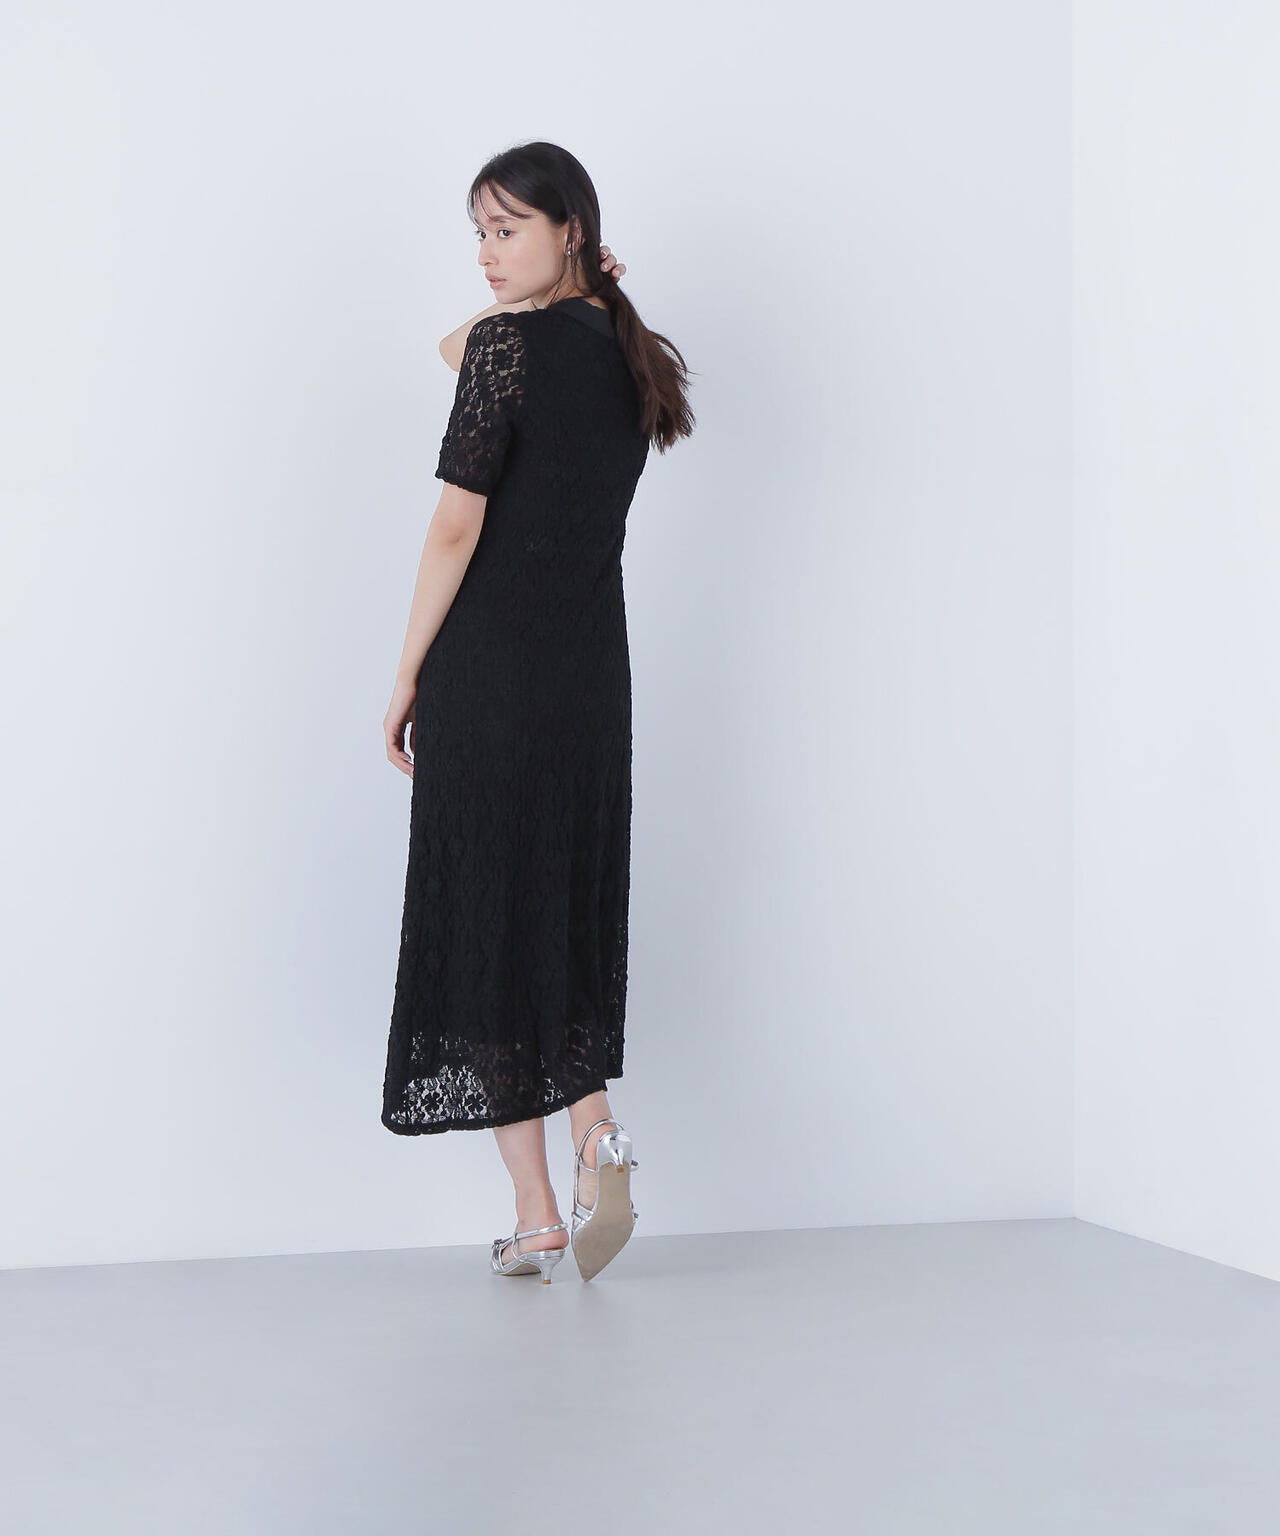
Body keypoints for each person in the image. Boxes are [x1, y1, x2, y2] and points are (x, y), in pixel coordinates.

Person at [380, 141, 695, 1283]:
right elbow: (463, 348)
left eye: (507, 228)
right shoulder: (630, 354)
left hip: (491, 674)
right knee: (554, 911)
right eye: (478, 231)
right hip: (589, 680)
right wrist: (576, 284)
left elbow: (455, 527)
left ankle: (536, 1213)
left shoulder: (507, 349)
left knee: (486, 922)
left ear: (571, 228)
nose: (485, 252)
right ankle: (594, 1135)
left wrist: (407, 674)